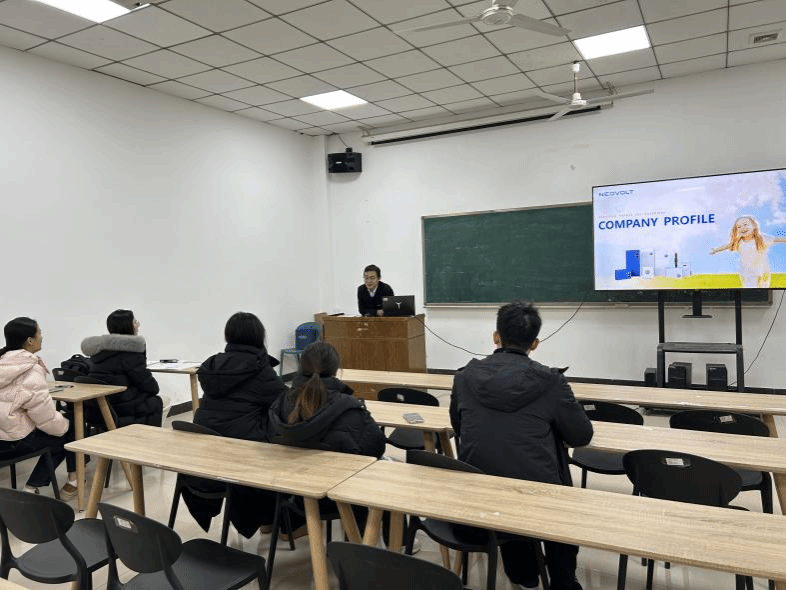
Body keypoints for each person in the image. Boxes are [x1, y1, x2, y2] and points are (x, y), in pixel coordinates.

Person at [449, 301, 593, 590]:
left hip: (478, 492)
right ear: (535, 343)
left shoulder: (463, 377)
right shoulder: (551, 382)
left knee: (501, 456)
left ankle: (524, 572)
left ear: (496, 337)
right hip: (537, 499)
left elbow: (459, 427)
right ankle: (563, 580)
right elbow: (580, 436)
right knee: (553, 473)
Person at [268, 341, 386, 538]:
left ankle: (293, 527)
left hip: (294, 494)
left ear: (301, 366)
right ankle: (394, 540)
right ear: (336, 369)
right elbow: (376, 448)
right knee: (388, 466)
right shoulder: (348, 407)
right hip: (341, 494)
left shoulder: (281, 403)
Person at [192, 311, 287, 538]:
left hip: (206, 452)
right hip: (244, 455)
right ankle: (278, 521)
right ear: (259, 337)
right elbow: (286, 402)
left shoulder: (213, 365)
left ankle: (266, 519)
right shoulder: (259, 368)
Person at [0, 317, 79, 498]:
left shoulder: (3, 361)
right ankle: (33, 487)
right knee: (69, 430)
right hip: (13, 442)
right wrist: (65, 426)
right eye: (39, 333)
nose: (42, 337)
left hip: (3, 438)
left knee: (64, 426)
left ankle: (73, 481)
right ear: (30, 340)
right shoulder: (30, 369)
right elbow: (46, 419)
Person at [81, 309, 162, 426]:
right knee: (156, 401)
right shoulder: (131, 354)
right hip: (122, 410)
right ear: (127, 327)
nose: (138, 325)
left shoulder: (99, 352)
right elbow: (152, 387)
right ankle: (148, 436)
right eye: (135, 322)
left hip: (100, 409)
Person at [709, 215, 786, 288]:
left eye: (745, 224)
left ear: (754, 226)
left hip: (763, 272)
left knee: (763, 290)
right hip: (747, 274)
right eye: (739, 227)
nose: (742, 228)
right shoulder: (739, 242)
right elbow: (727, 246)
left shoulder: (762, 239)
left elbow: (777, 239)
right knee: (751, 290)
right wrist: (715, 250)